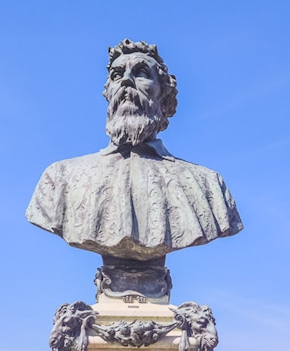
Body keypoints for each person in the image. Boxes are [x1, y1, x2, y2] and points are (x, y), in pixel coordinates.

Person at [26, 39, 243, 264]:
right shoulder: (60, 178)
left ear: (164, 93)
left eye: (140, 73)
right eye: (117, 75)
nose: (126, 82)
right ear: (108, 93)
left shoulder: (207, 183)